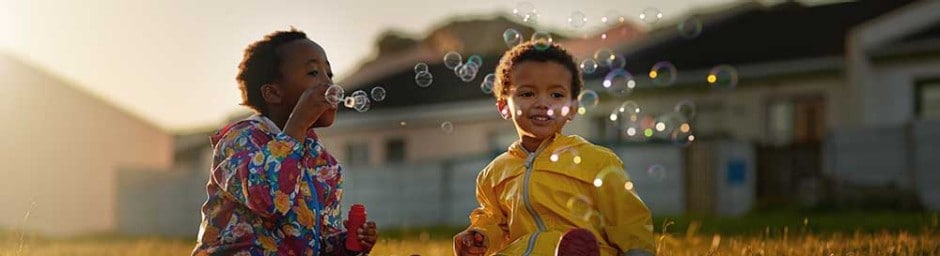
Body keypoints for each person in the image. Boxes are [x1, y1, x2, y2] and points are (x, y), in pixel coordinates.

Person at [454, 41, 655, 256]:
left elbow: (627, 219)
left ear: (572, 108)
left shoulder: (598, 162)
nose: (543, 103)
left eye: (556, 95)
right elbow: (495, 222)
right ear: (504, 106)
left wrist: (638, 251)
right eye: (528, 94)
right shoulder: (493, 174)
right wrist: (480, 236)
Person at [192, 28, 377, 256]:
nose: (329, 85)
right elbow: (269, 200)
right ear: (273, 93)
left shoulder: (324, 164)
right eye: (313, 73)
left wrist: (347, 244)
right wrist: (297, 125)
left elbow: (317, 245)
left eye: (329, 74)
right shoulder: (240, 141)